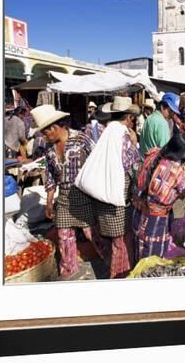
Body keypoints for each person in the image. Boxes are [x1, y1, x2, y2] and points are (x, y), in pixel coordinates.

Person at [28, 104, 104, 279]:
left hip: (84, 195)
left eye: (45, 132)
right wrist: (48, 202)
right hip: (63, 198)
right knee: (63, 235)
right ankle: (69, 270)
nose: (44, 136)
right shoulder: (49, 149)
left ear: (54, 128)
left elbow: (98, 163)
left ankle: (105, 258)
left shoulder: (81, 140)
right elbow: (50, 176)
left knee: (91, 233)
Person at [90, 96, 141, 278]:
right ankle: (118, 277)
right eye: (132, 118)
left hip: (102, 196)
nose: (133, 121)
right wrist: (135, 144)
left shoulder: (106, 133)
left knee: (112, 243)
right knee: (121, 242)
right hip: (118, 200)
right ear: (128, 117)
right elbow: (133, 168)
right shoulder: (124, 137)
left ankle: (113, 270)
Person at [133, 131, 185, 260]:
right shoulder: (176, 170)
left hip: (139, 214)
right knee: (153, 258)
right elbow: (183, 193)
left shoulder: (153, 155)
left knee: (139, 250)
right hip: (156, 221)